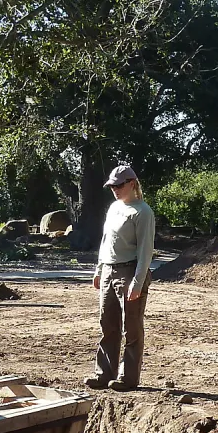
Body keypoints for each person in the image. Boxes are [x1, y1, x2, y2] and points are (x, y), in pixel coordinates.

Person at [84, 163, 156, 393]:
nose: (115, 189)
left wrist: (137, 281)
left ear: (132, 183)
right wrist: (98, 268)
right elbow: (106, 240)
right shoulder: (114, 208)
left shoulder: (143, 212)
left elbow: (145, 251)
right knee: (108, 324)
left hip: (129, 271)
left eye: (119, 185)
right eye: (112, 185)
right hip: (108, 270)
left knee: (131, 328)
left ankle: (128, 378)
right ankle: (103, 373)